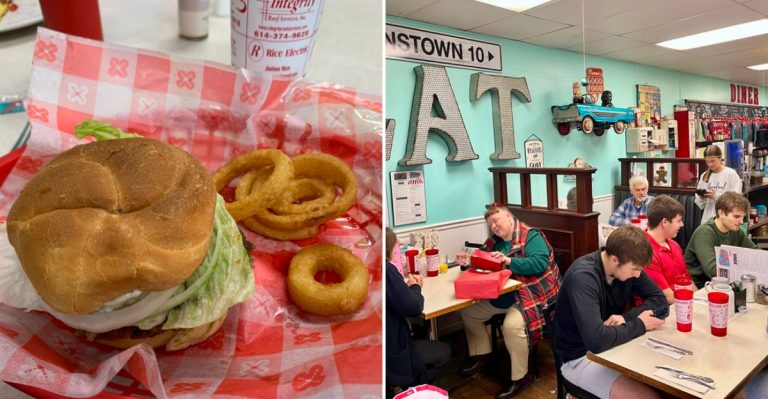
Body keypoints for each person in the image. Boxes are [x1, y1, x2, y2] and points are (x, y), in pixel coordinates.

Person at [458, 204, 560, 399]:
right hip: (504, 295)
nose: (493, 226)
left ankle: (522, 376)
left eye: (496, 220)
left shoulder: (531, 236)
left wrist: (507, 261)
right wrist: (469, 261)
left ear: (509, 216)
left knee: (512, 326)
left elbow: (539, 263)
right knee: (468, 312)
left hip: (533, 295)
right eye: (490, 224)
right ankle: (483, 355)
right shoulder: (494, 241)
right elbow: (484, 259)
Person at [554, 226, 667, 399]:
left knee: (665, 384)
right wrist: (640, 324)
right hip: (578, 357)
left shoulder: (628, 264)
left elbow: (660, 301)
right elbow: (596, 340)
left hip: (614, 345)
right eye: (635, 269)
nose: (638, 275)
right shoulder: (583, 277)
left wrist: (625, 317)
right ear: (615, 259)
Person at [385, 227, 450, 395]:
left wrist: (405, 289)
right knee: (444, 351)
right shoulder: (386, 270)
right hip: (393, 353)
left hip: (383, 348)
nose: (397, 246)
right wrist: (415, 287)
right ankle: (411, 387)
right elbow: (414, 307)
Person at [685, 192, 757, 288]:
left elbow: (755, 252)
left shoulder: (735, 230)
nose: (741, 222)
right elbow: (712, 270)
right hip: (699, 285)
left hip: (721, 282)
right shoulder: (704, 233)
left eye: (743, 217)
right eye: (736, 216)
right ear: (721, 213)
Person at [643, 195, 694, 304]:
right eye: (679, 221)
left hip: (683, 302)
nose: (682, 225)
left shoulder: (674, 245)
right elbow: (667, 296)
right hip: (659, 309)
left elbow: (687, 281)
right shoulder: (645, 251)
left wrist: (703, 301)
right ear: (665, 222)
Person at [695, 144, 742, 224]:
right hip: (708, 221)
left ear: (720, 158)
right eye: (707, 162)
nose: (710, 164)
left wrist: (715, 196)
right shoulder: (704, 176)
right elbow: (700, 204)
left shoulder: (731, 174)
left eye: (712, 161)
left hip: (726, 222)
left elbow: (736, 201)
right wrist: (702, 198)